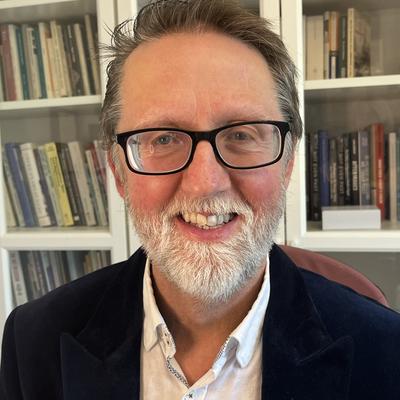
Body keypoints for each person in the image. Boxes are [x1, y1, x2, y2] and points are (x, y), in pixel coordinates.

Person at [1, 0, 400, 399]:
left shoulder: (386, 353)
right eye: (163, 139)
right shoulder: (33, 342)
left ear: (288, 163)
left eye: (241, 134)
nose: (205, 183)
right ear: (118, 172)